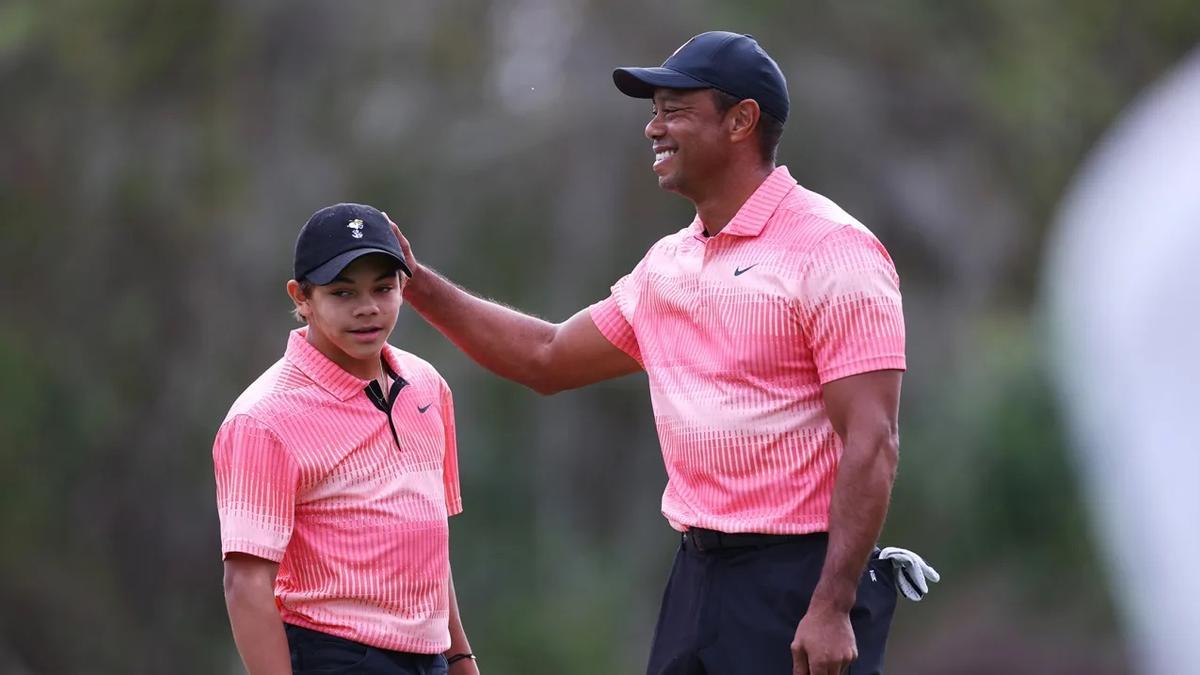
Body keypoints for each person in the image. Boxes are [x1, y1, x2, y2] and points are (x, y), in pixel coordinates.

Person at [396, 31, 904, 675]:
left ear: (742, 120)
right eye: (653, 110)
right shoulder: (669, 264)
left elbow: (873, 439)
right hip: (696, 576)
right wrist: (413, 282)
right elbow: (546, 358)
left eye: (675, 110)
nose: (653, 128)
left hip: (799, 580)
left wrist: (832, 603)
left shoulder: (834, 251)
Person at [213, 203, 479, 675]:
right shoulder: (263, 418)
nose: (368, 308)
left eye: (383, 287)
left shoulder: (427, 385)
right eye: (342, 292)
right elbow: (247, 583)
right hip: (335, 655)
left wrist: (459, 659)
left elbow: (430, 544)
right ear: (302, 297)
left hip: (428, 657)